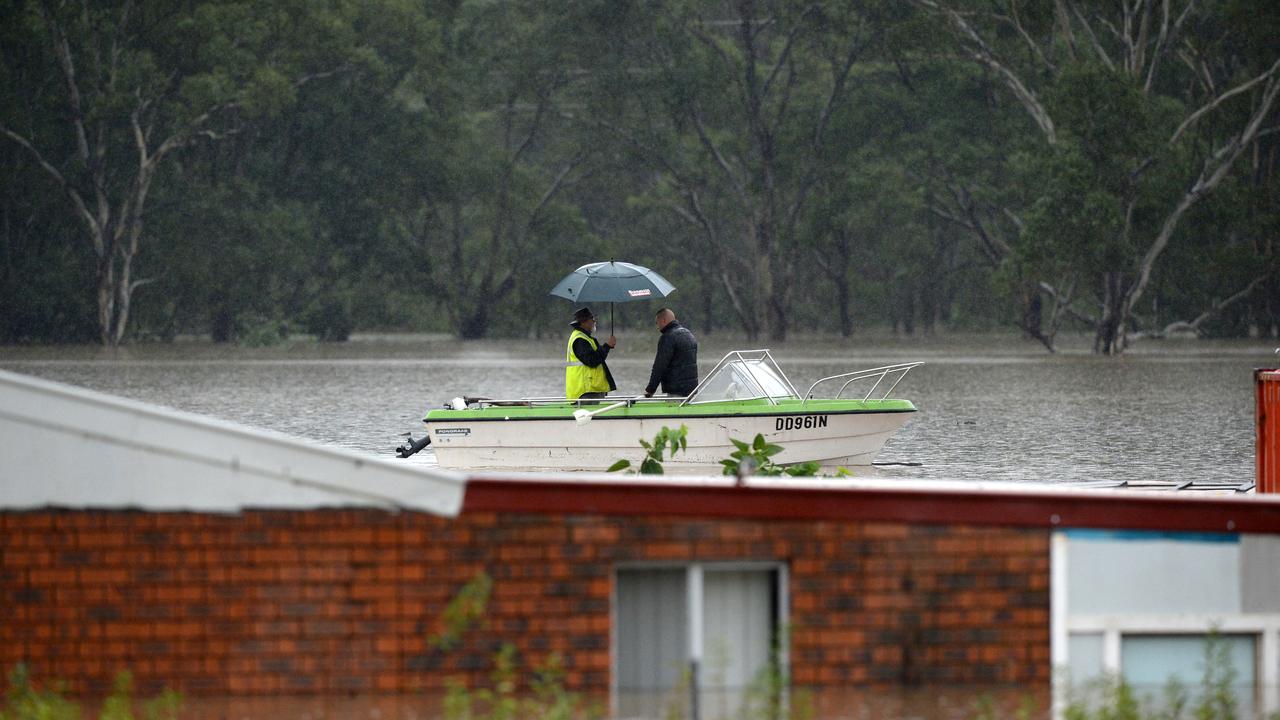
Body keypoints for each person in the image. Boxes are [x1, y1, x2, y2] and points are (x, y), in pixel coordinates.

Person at [644, 308, 698, 398]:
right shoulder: (688, 334)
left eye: (657, 323)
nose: (657, 327)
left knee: (675, 411)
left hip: (676, 390)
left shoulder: (668, 337)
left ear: (663, 320)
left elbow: (660, 366)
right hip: (692, 390)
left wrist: (650, 389)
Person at [565, 307, 617, 400]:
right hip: (585, 391)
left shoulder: (584, 338)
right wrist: (606, 346)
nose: (594, 322)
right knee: (589, 415)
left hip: (588, 389)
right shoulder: (580, 340)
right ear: (584, 322)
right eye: (592, 319)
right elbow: (592, 361)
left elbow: (596, 357)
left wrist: (607, 347)